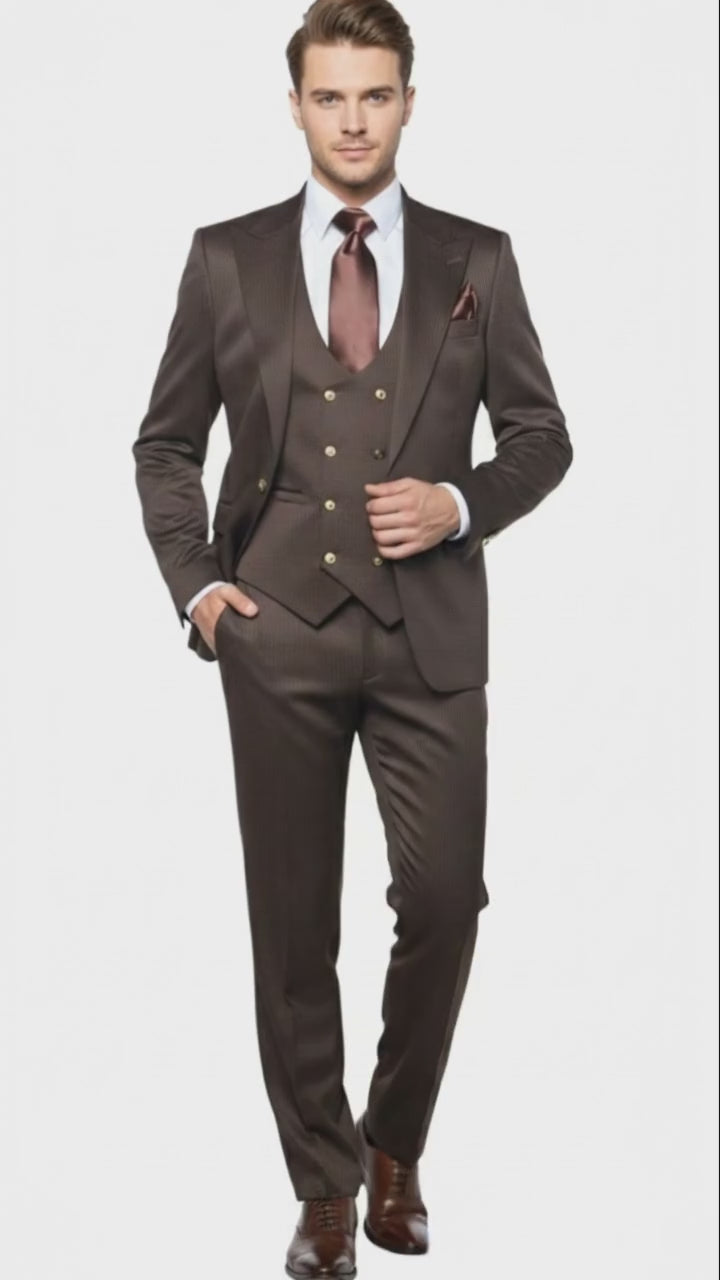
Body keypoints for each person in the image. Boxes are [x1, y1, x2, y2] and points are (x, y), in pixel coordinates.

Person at [131, 1, 573, 1274]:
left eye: (375, 95)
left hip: (432, 637)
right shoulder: (225, 258)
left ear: (409, 102)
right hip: (275, 633)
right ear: (296, 107)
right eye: (330, 96)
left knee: (443, 898)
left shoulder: (479, 258)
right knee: (292, 926)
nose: (354, 120)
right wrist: (199, 587)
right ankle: (325, 1186)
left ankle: (395, 1145)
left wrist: (459, 502)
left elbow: (542, 436)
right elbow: (166, 442)